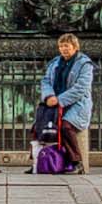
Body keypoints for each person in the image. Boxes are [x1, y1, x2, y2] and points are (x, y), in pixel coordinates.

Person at [38, 31, 95, 174]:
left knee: (65, 127)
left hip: (77, 104)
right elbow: (46, 81)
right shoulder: (55, 63)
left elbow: (81, 88)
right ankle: (41, 160)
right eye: (61, 46)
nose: (64, 49)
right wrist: (49, 96)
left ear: (75, 47)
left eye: (67, 46)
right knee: (40, 125)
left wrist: (60, 99)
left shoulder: (85, 64)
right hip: (54, 101)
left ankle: (77, 161)